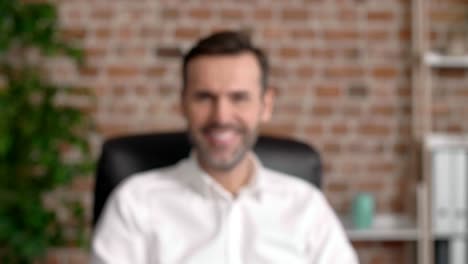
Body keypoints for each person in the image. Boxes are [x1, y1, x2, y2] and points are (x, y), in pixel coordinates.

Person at [91, 31, 358, 264]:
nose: (221, 116)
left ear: (265, 105)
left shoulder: (306, 206)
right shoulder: (136, 203)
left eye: (239, 97)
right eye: (204, 97)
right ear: (183, 103)